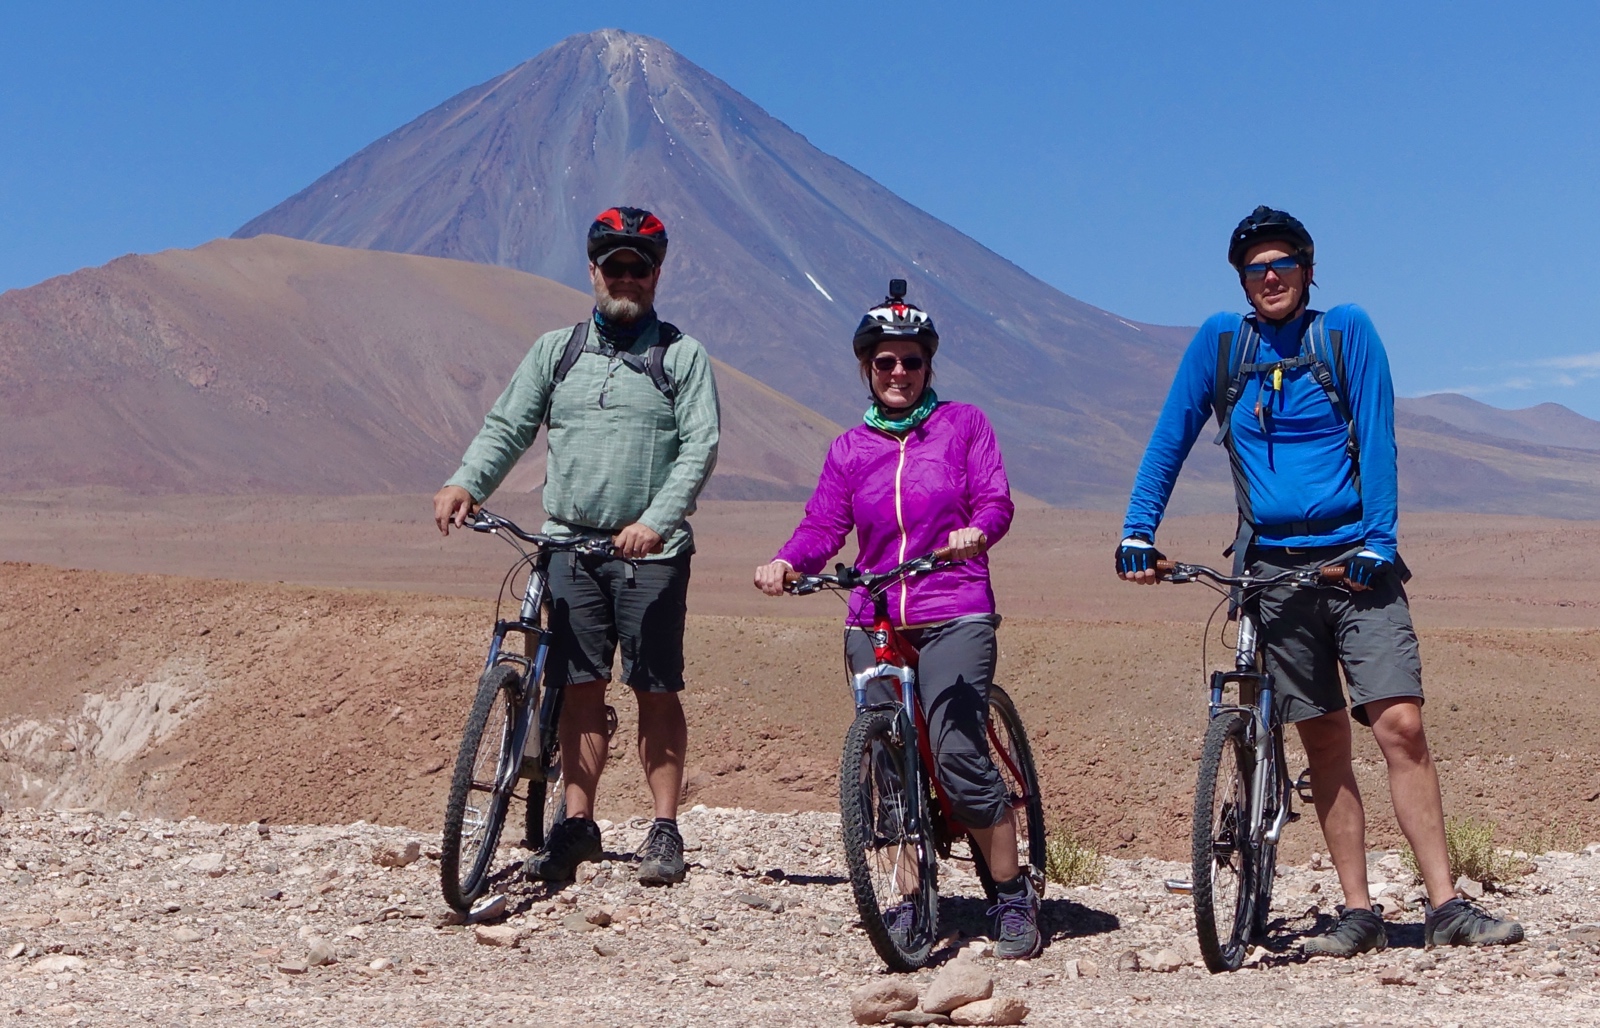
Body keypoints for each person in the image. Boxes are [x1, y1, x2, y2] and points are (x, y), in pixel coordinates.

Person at [1116, 206, 1522, 955]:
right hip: (1272, 570)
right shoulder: (1221, 344)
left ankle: (1445, 905)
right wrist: (1139, 529)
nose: (1269, 277)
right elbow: (1169, 437)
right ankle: (1359, 911)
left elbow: (1378, 436)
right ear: (1242, 280)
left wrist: (1380, 539)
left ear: (1307, 269)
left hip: (1355, 566)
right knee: (1324, 739)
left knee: (1401, 725)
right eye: (1255, 268)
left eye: (1282, 264)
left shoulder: (1346, 333)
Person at [753, 281, 1040, 959]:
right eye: (885, 363)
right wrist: (788, 562)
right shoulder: (851, 449)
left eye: (911, 361)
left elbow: (995, 501)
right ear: (867, 369)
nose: (899, 374)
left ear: (928, 365)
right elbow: (823, 525)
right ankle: (911, 899)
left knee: (955, 748)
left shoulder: (964, 425)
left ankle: (1010, 893)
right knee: (887, 764)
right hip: (875, 610)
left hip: (954, 606)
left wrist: (976, 532)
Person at [434, 206, 719, 887]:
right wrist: (466, 480)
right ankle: (577, 824)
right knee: (578, 685)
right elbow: (509, 424)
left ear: (656, 276)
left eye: (639, 269)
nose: (627, 279)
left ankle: (664, 829)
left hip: (650, 554)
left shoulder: (680, 356)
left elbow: (700, 447)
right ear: (592, 272)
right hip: (570, 546)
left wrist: (655, 520)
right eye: (614, 267)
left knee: (654, 687)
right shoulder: (555, 351)